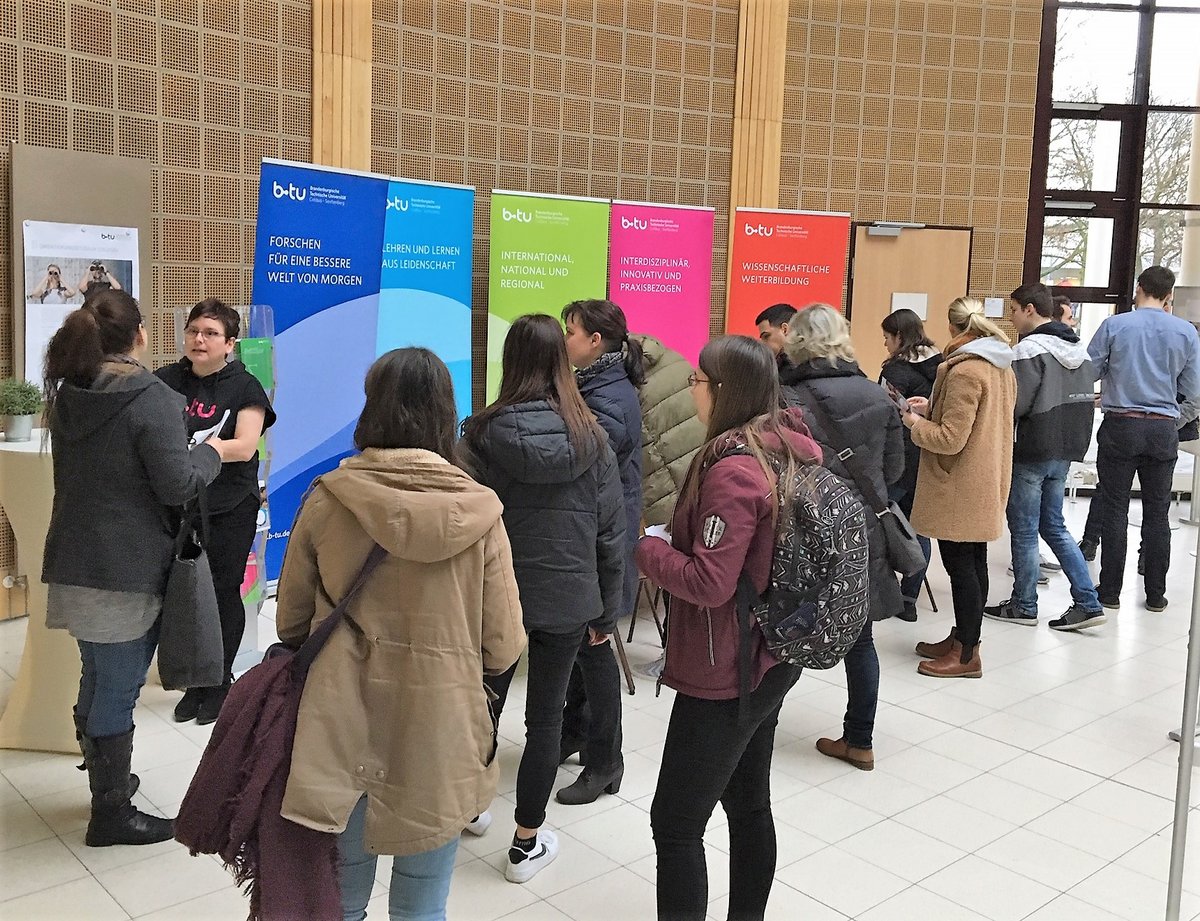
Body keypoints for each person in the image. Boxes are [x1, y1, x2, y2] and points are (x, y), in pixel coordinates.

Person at [275, 348, 525, 921]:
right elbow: (503, 643)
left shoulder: (328, 497)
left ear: (372, 408)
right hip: (437, 723)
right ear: (445, 413)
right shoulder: (481, 513)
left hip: (340, 717)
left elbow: (290, 622)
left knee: (342, 898)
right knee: (422, 903)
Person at [636, 335, 819, 921]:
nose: (691, 387)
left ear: (723, 390)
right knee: (746, 801)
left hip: (728, 664)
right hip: (772, 650)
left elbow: (710, 583)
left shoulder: (734, 470)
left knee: (676, 821)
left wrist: (648, 549)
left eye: (698, 379)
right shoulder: (787, 444)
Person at [41, 289, 227, 847]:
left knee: (98, 674)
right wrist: (213, 454)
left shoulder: (69, 394)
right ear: (140, 335)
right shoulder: (151, 398)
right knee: (118, 687)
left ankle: (107, 780)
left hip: (74, 560)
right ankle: (111, 812)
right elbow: (177, 483)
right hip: (126, 568)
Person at [459, 314, 626, 884]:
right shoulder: (592, 437)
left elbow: (460, 521)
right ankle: (525, 843)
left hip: (493, 594)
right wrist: (606, 610)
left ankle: (472, 807)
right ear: (561, 361)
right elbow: (610, 531)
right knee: (545, 719)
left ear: (510, 360)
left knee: (482, 706)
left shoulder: (479, 433)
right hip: (567, 593)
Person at [780, 304, 904, 771]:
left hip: (799, 526)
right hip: (863, 526)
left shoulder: (785, 398)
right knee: (861, 639)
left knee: (783, 626)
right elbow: (893, 469)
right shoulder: (876, 393)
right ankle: (860, 739)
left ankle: (757, 729)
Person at [157, 299, 276, 725]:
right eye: (193, 331)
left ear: (230, 343)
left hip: (229, 506)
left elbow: (244, 446)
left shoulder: (245, 386)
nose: (198, 339)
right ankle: (195, 681)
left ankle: (219, 680)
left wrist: (194, 452)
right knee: (187, 594)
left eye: (209, 333)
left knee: (222, 592)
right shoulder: (166, 380)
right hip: (179, 505)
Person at [557, 298, 643, 804]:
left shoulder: (610, 395)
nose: (566, 339)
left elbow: (586, 460)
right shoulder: (594, 384)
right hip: (589, 529)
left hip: (602, 532)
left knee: (594, 646)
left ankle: (605, 761)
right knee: (576, 643)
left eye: (572, 331)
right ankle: (574, 732)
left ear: (596, 341)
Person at [905, 297, 1016, 678]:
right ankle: (963, 639)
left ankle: (967, 654)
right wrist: (930, 407)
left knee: (961, 569)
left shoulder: (965, 370)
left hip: (960, 485)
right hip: (984, 479)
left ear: (953, 329)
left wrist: (912, 423)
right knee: (974, 563)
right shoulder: (999, 365)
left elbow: (951, 439)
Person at [983, 283, 1104, 632]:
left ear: (1031, 310)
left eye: (1015, 310)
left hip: (1032, 448)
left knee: (1023, 530)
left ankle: (1023, 604)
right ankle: (1087, 600)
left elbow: (1014, 404)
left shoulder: (1028, 350)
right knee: (1055, 526)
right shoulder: (1079, 349)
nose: (1012, 317)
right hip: (1066, 449)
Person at [1087, 265, 1200, 612]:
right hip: (1162, 431)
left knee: (1116, 511)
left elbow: (1088, 371)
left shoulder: (1115, 325)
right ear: (1169, 296)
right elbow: (1194, 394)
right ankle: (1155, 594)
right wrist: (1171, 419)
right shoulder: (1187, 333)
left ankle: (1109, 592)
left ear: (1138, 289)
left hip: (1121, 426)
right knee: (1157, 514)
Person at [879, 308, 943, 621]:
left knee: (877, 519)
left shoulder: (896, 371)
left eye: (887, 338)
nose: (885, 345)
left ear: (899, 337)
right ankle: (910, 597)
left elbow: (882, 415)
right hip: (926, 456)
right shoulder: (941, 365)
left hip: (897, 457)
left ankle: (877, 589)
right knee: (918, 530)